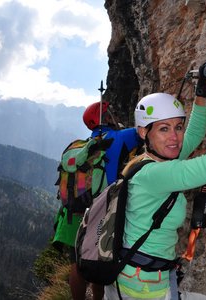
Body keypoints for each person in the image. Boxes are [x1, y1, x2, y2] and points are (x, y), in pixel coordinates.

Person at [103, 51, 206, 300]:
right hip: (144, 288)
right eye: (164, 129)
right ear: (143, 133)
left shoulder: (148, 161)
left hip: (138, 277)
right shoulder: (157, 174)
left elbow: (193, 136)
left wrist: (202, 91)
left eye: (177, 126)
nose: (174, 137)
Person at [53, 100, 143, 300]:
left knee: (77, 263)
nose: (114, 115)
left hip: (74, 211)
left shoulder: (84, 146)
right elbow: (146, 132)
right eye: (110, 113)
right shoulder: (120, 138)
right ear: (105, 118)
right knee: (100, 257)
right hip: (101, 210)